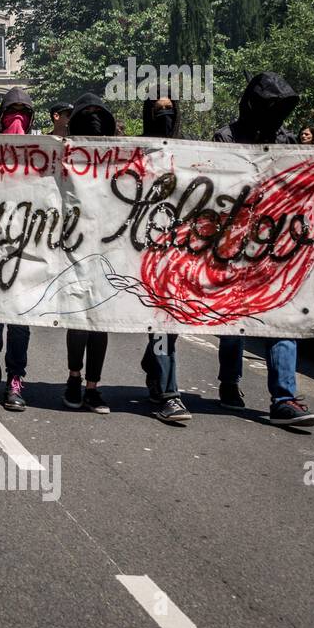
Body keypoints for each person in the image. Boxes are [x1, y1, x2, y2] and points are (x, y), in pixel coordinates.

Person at [212, 73, 314, 426]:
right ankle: (229, 382)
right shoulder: (225, 138)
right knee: (233, 319)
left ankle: (284, 398)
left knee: (281, 319)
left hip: (276, 248)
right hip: (232, 245)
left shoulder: (286, 140)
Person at [137, 95, 192, 423]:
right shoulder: (137, 152)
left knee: (168, 327)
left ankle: (153, 364)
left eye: (169, 110)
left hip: (180, 255)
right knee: (162, 323)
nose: (165, 115)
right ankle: (170, 395)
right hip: (142, 254)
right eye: (158, 112)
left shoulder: (189, 153)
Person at [0, 88, 34, 411]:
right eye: (11, 110)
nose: (17, 118)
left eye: (23, 111)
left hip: (28, 249)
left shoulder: (44, 152)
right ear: (1, 116)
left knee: (21, 320)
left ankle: (15, 379)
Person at [62, 93, 115, 414]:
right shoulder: (63, 154)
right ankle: (73, 378)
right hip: (73, 248)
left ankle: (93, 387)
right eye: (88, 113)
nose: (94, 118)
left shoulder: (118, 155)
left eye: (99, 113)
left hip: (110, 247)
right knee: (79, 318)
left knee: (100, 321)